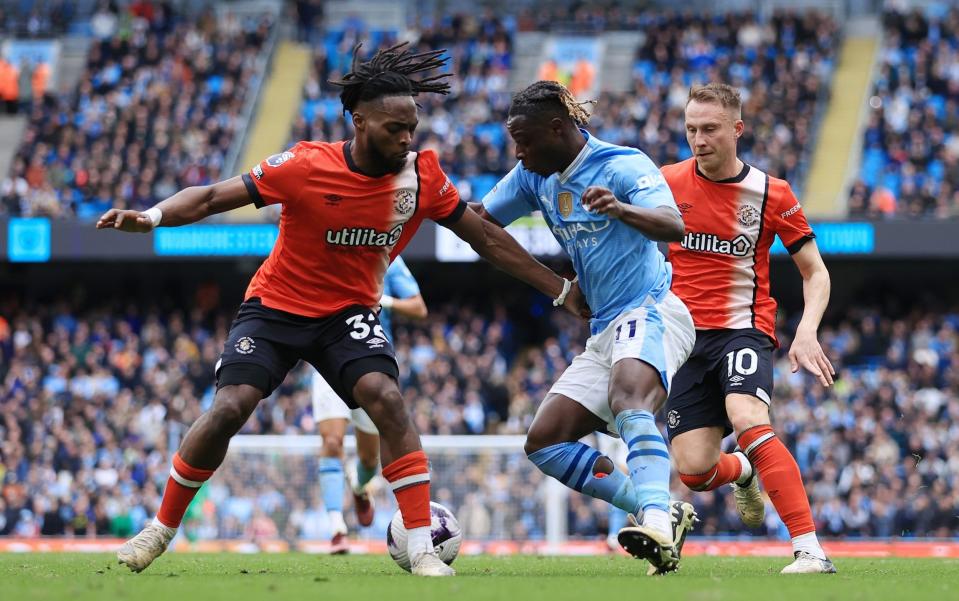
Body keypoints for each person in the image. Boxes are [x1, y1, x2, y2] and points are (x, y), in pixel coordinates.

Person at [97, 44, 587, 577]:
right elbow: (214, 198)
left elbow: (487, 239)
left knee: (388, 400)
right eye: (394, 128)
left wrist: (559, 289)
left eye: (412, 128)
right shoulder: (305, 165)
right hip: (276, 307)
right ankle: (160, 529)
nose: (406, 139)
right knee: (230, 407)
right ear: (359, 121)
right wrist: (149, 218)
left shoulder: (422, 177)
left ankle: (421, 545)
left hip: (348, 316)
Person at [472, 80, 696, 574]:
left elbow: (672, 223)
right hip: (605, 329)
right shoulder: (535, 176)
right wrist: (424, 203)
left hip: (653, 308)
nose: (519, 153)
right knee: (545, 442)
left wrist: (621, 209)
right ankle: (655, 510)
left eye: (525, 141)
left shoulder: (622, 165)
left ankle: (656, 519)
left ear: (557, 128)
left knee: (628, 399)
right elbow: (481, 223)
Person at [661, 82, 837, 574]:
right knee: (694, 471)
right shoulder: (666, 182)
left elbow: (815, 271)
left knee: (747, 417)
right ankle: (741, 472)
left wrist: (807, 330)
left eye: (711, 129)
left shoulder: (770, 193)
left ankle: (808, 548)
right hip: (683, 339)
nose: (699, 139)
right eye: (692, 129)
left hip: (744, 328)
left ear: (737, 129)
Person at [313, 256, 427, 553]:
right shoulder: (324, 241)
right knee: (332, 440)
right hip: (325, 352)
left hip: (368, 360)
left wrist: (382, 300)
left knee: (367, 459)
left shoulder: (390, 254)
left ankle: (360, 487)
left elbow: (418, 307)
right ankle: (338, 528)